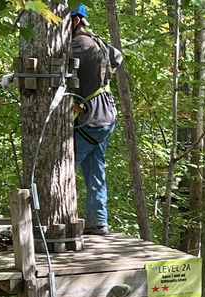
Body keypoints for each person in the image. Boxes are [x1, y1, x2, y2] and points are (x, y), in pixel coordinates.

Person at [71, 4, 122, 235]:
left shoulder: (77, 45)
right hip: (106, 114)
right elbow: (118, 57)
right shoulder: (98, 41)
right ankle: (98, 220)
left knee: (64, 169)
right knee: (95, 168)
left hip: (90, 119)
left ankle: (53, 220)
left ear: (74, 22)